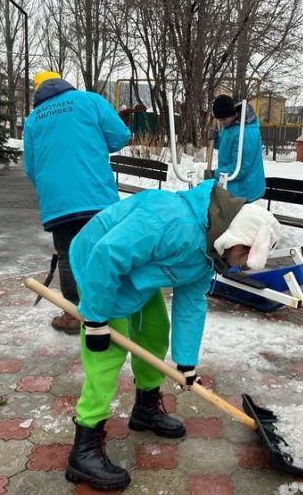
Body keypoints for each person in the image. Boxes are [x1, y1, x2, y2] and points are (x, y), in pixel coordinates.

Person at [65, 179, 281, 491]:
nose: (240, 267)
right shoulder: (170, 220)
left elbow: (191, 303)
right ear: (238, 241)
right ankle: (83, 448)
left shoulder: (211, 249)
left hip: (138, 272)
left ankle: (145, 409)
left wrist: (186, 363)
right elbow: (108, 254)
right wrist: (96, 319)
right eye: (243, 259)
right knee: (107, 355)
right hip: (98, 263)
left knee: (154, 332)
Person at [24, 71, 130, 334]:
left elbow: (30, 167)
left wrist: (51, 192)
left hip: (58, 203)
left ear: (38, 91)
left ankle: (75, 314)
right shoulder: (90, 101)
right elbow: (120, 136)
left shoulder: (33, 119)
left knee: (68, 256)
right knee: (105, 249)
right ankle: (115, 309)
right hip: (97, 195)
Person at [208, 94, 266, 202]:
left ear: (232, 113)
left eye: (224, 119)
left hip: (245, 190)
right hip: (232, 186)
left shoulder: (246, 133)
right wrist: (216, 140)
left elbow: (238, 169)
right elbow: (228, 145)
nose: (222, 123)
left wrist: (213, 174)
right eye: (219, 120)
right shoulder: (231, 125)